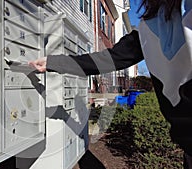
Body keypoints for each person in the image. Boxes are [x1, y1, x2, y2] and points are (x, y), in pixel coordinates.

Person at [29, 0, 192, 168]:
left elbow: (106, 60)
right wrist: (53, 63)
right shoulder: (147, 29)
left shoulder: (150, 27)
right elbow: (107, 60)